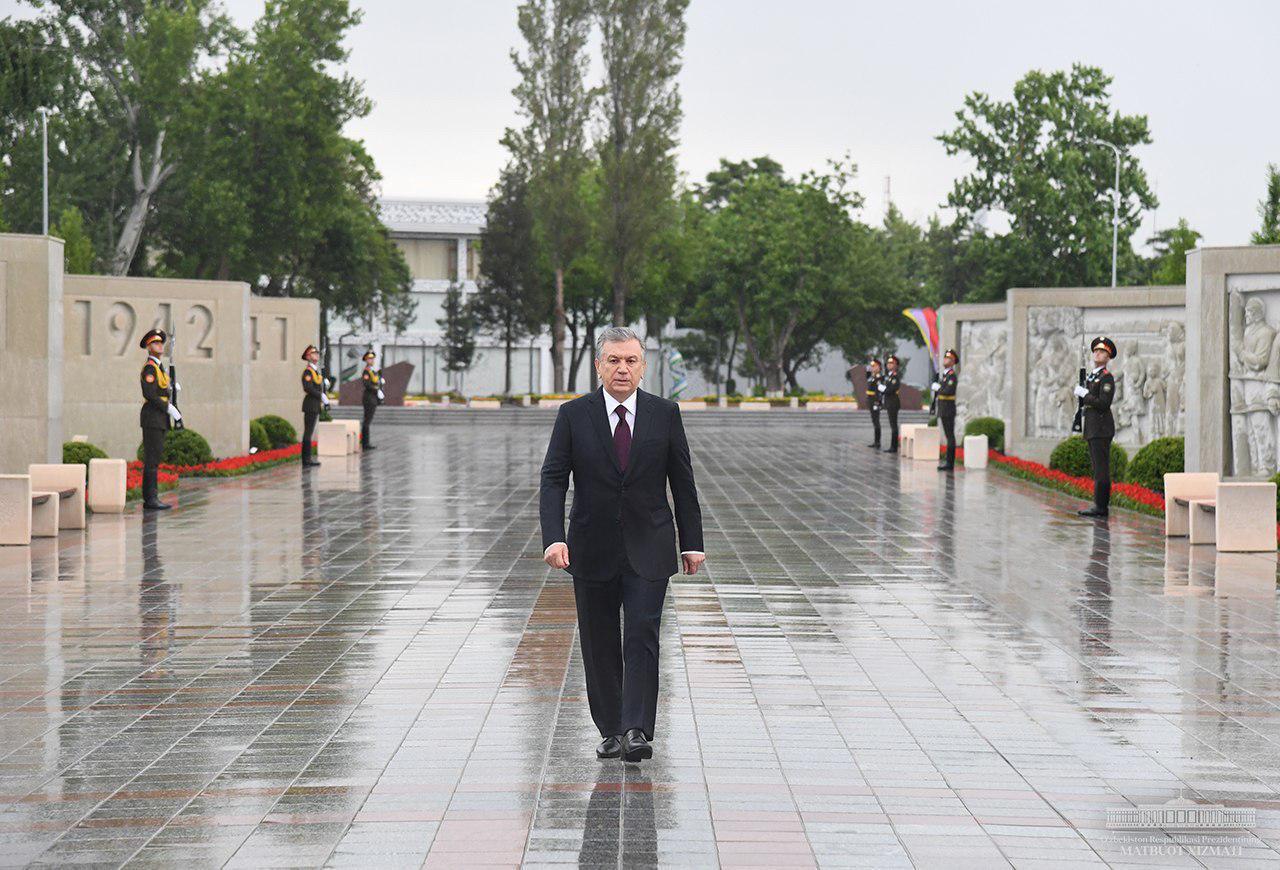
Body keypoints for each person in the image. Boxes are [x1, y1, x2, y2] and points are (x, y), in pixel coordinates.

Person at [540, 326, 705, 764]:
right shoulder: (574, 416)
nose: (622, 368)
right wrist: (553, 537)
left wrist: (692, 542)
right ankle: (610, 729)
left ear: (643, 367)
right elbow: (554, 478)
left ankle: (636, 729)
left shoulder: (664, 414)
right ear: (599, 365)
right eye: (613, 360)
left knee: (642, 635)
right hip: (589, 546)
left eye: (631, 361)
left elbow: (682, 481)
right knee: (598, 641)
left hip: (649, 545)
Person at [1073, 337, 1117, 518]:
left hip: (1101, 428)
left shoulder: (1106, 378)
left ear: (1108, 357)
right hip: (1092, 427)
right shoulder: (1093, 376)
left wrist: (1085, 394)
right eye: (1096, 351)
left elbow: (1103, 403)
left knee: (1101, 469)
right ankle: (1098, 505)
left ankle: (1101, 507)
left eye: (1102, 352)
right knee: (1097, 468)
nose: (1098, 353)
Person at [138, 328, 181, 511]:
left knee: (155, 458)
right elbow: (149, 393)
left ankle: (152, 497)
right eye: (155, 343)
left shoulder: (159, 367)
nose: (160, 345)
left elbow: (161, 389)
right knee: (152, 459)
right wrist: (168, 407)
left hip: (159, 418)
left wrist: (172, 389)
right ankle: (150, 499)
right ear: (149, 347)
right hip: (153, 417)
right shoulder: (150, 367)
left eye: (160, 342)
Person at [300, 344, 328, 468]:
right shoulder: (308, 372)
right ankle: (306, 460)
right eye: (313, 353)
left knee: (310, 432)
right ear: (308, 356)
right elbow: (308, 387)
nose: (316, 355)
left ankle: (308, 459)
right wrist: (320, 395)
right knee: (308, 432)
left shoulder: (315, 371)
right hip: (310, 404)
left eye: (317, 353)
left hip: (315, 404)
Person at [933, 349, 959, 471]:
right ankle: (948, 462)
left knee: (950, 436)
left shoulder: (952, 375)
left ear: (953, 361)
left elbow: (948, 391)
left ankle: (950, 463)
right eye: (945, 357)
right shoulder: (945, 375)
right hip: (944, 408)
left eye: (948, 358)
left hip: (948, 408)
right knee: (948, 435)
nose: (945, 360)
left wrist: (938, 388)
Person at [360, 350, 383, 450]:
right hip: (369, 398)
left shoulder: (373, 371)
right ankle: (365, 443)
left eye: (372, 358)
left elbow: (376, 382)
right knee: (367, 421)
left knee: (368, 421)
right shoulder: (366, 371)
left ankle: (366, 442)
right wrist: (376, 389)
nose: (371, 360)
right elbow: (367, 384)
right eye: (369, 358)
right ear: (366, 360)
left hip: (373, 398)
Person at [881, 355, 902, 453]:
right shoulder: (889, 376)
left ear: (896, 365)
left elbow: (893, 389)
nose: (889, 365)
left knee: (893, 425)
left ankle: (893, 447)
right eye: (888, 363)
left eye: (891, 363)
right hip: (889, 402)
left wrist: (883, 389)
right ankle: (893, 445)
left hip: (893, 402)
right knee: (892, 424)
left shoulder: (894, 376)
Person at [864, 358, 884, 449]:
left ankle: (878, 442)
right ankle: (875, 441)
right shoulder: (872, 376)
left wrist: (877, 402)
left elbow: (879, 391)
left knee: (876, 421)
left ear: (879, 367)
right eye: (871, 366)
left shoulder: (879, 377)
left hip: (875, 400)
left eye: (874, 366)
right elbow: (867, 379)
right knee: (874, 421)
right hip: (871, 400)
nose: (872, 368)